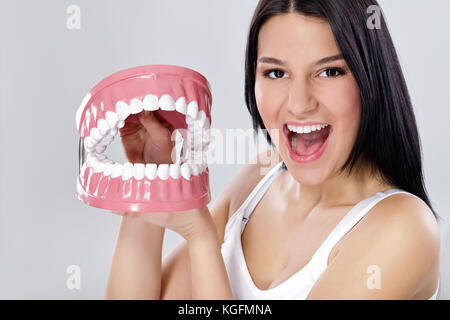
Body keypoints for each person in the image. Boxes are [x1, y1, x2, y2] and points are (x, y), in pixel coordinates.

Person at [105, 0, 440, 300]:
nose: (298, 104)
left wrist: (202, 237)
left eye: (329, 71)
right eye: (276, 73)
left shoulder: (405, 228)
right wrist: (149, 178)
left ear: (370, 80)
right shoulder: (259, 179)